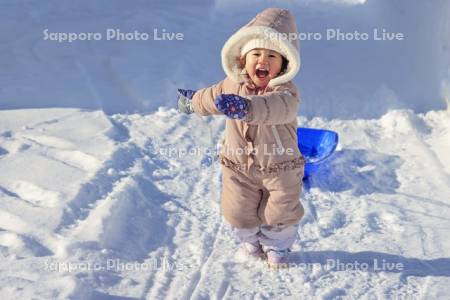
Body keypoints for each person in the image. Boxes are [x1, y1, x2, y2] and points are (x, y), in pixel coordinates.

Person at [177, 8, 304, 268]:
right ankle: (249, 241)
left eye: (272, 55)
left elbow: (277, 107)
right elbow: (213, 96)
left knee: (279, 212)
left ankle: (276, 246)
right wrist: (194, 102)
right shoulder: (231, 84)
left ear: (284, 63)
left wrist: (247, 108)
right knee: (237, 210)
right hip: (238, 166)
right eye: (256, 54)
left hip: (280, 166)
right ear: (243, 59)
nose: (263, 60)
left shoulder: (286, 92)